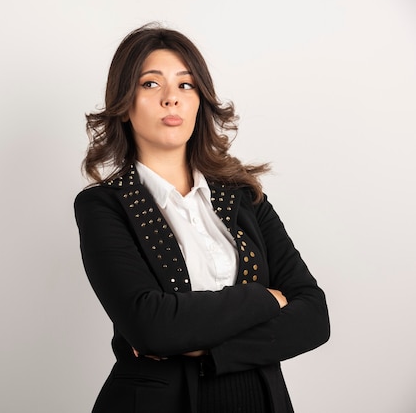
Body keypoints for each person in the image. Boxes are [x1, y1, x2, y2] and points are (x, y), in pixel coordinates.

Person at [74, 23, 330, 413]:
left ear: (200, 101)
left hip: (260, 400)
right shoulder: (103, 206)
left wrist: (202, 347)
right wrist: (264, 298)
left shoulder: (245, 195)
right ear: (124, 104)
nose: (170, 99)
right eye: (150, 84)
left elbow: (313, 315)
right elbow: (151, 326)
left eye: (185, 85)